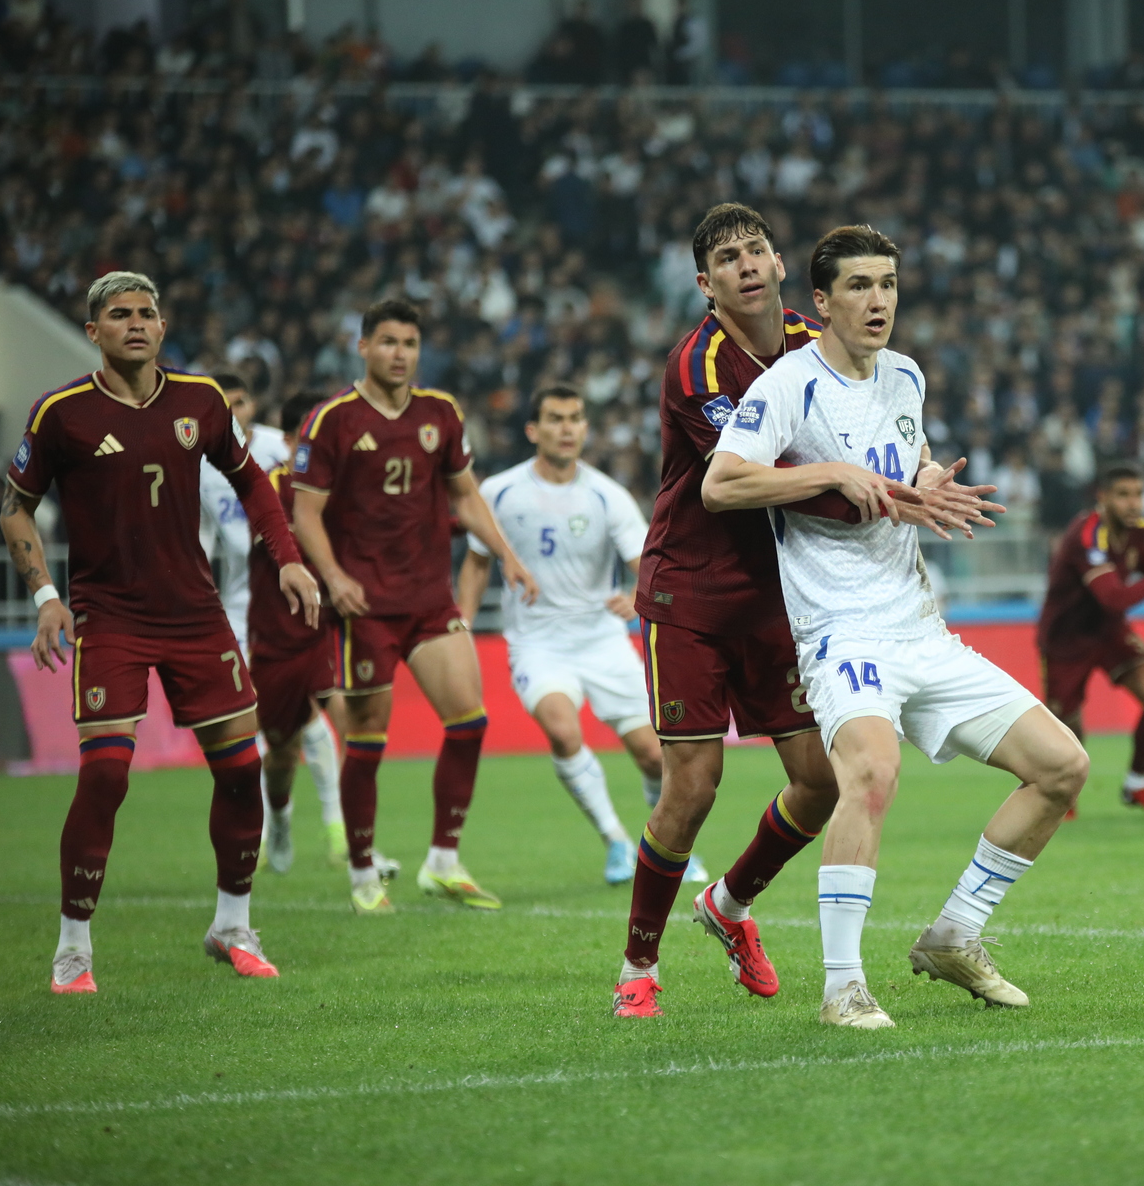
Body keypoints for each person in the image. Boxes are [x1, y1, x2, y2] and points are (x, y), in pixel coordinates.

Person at [703, 223, 1085, 1030]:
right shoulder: (788, 385)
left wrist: (927, 480)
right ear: (821, 300)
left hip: (919, 628)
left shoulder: (905, 375)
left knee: (1061, 766)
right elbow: (722, 484)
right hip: (841, 632)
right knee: (872, 773)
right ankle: (842, 987)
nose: (878, 301)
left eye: (888, 284)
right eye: (859, 286)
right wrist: (831, 473)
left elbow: (908, 458)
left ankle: (954, 935)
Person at [0, 271, 320, 993]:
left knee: (240, 770)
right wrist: (47, 596)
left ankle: (232, 926)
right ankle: (73, 948)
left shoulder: (201, 400)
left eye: (147, 312)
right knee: (106, 774)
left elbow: (252, 481)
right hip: (110, 617)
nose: (137, 323)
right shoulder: (61, 413)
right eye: (120, 314)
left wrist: (289, 561)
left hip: (196, 615)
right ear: (94, 332)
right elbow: (14, 506)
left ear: (163, 327)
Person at [613, 203, 861, 1019]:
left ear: (781, 264)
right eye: (728, 258)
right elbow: (748, 478)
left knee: (819, 783)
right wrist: (850, 483)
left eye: (756, 250)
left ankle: (728, 904)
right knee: (693, 785)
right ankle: (638, 967)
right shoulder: (697, 367)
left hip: (778, 598)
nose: (746, 264)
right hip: (688, 595)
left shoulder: (817, 341)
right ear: (705, 284)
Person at [290, 298, 539, 914]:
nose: (399, 353)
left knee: (469, 722)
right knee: (367, 740)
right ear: (363, 347)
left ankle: (442, 862)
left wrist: (505, 554)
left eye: (409, 343)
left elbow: (466, 496)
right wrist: (334, 578)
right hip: (364, 607)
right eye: (388, 342)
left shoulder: (440, 413)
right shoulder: (332, 420)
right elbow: (305, 513)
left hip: (429, 599)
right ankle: (362, 872)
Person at [457, 383, 695, 887]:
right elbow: (477, 562)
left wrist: (634, 594)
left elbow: (646, 563)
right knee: (563, 731)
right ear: (533, 430)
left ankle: (669, 846)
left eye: (575, 419)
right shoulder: (499, 491)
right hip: (537, 644)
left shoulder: (606, 495)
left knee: (654, 754)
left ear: (585, 428)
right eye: (555, 419)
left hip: (602, 640)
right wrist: (463, 621)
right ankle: (615, 840)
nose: (566, 429)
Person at [198, 374, 351, 871]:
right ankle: (278, 820)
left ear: (253, 406)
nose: (233, 412)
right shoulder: (196, 461)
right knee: (277, 734)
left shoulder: (278, 449)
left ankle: (342, 831)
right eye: (223, 404)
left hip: (310, 606)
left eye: (240, 402)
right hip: (246, 610)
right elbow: (201, 538)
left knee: (330, 716)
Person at [1037, 463, 1144, 820]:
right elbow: (1114, 598)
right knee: (1066, 723)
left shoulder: (1138, 528)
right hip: (1067, 638)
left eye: (1138, 494)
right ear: (1103, 497)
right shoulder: (1087, 537)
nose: (1133, 503)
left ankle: (1137, 784)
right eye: (1123, 495)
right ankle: (1065, 795)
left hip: (1109, 631)